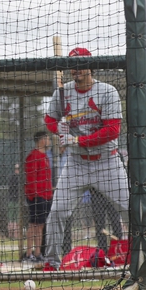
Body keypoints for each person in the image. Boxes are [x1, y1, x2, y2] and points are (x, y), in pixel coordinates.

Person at [41, 47, 129, 270]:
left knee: (130, 209)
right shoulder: (62, 93)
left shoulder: (107, 91)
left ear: (90, 66)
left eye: (80, 65)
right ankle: (51, 263)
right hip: (76, 163)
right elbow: (49, 120)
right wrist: (58, 128)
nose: (76, 70)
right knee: (57, 212)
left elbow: (112, 130)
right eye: (73, 66)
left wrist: (78, 140)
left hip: (107, 162)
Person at [23, 131, 54, 262]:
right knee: (33, 224)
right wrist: (34, 196)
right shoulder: (34, 156)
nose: (49, 140)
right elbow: (31, 178)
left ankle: (38, 253)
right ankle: (29, 253)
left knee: (40, 225)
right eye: (47, 138)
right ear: (42, 140)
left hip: (46, 195)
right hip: (37, 196)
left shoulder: (45, 156)